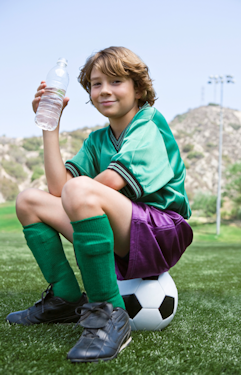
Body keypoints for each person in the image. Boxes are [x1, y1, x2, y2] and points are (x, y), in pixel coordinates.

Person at [6, 46, 193, 363]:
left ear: (138, 89)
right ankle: (65, 299)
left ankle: (110, 314)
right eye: (96, 84)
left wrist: (73, 195)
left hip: (162, 234)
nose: (104, 90)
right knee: (29, 201)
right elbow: (56, 188)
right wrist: (50, 126)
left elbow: (96, 187)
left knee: (80, 189)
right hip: (125, 231)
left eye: (116, 81)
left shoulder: (149, 124)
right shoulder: (97, 140)